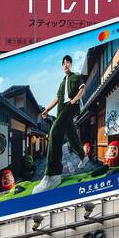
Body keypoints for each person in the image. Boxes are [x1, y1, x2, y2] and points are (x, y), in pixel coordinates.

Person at [34, 55, 104, 193]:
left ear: (70, 65)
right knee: (71, 135)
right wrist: (47, 109)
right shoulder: (62, 83)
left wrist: (75, 100)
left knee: (54, 132)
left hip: (70, 106)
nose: (66, 65)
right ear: (62, 66)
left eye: (68, 63)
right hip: (61, 110)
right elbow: (57, 98)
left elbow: (82, 89)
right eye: (64, 63)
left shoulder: (75, 76)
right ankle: (83, 156)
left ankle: (53, 175)